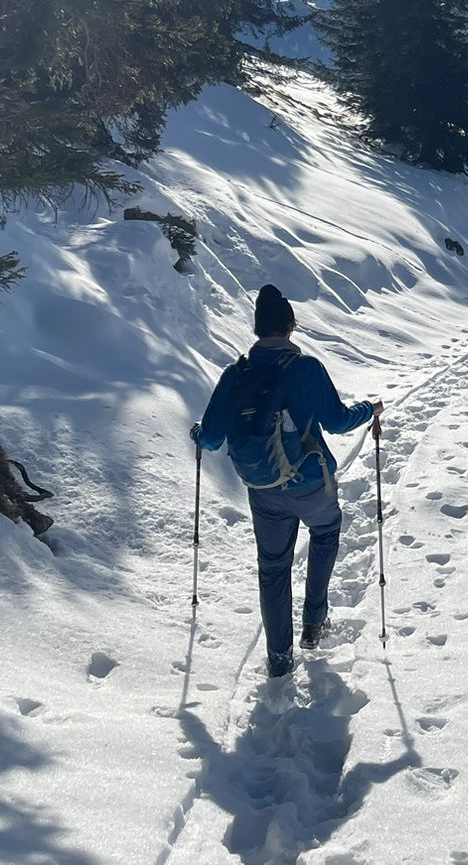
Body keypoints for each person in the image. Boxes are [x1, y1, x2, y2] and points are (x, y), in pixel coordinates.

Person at [193, 283, 381, 678]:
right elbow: (338, 420)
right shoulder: (305, 368)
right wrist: (370, 409)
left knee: (273, 567)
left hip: (263, 491)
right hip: (310, 482)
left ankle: (280, 658)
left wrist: (196, 433)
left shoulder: (236, 374)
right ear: (290, 326)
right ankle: (314, 621)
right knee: (326, 531)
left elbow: (210, 437)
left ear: (258, 329)